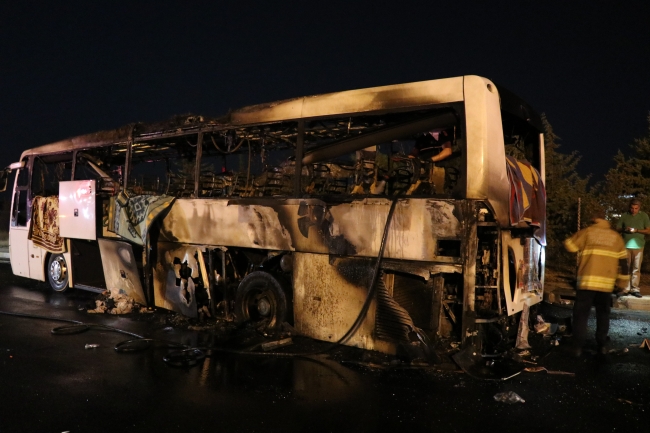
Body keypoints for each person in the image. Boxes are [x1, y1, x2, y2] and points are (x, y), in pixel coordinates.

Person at [564, 209, 629, 357]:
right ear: (605, 219)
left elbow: (570, 246)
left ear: (594, 219)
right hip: (606, 285)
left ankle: (577, 348)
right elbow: (624, 263)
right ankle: (602, 345)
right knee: (603, 314)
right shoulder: (616, 237)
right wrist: (622, 282)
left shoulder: (587, 232)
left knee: (581, 315)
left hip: (586, 282)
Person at [616, 198, 650, 298]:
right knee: (626, 268)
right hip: (626, 245)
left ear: (639, 208)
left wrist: (637, 230)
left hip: (638, 245)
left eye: (636, 208)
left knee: (636, 268)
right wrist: (624, 229)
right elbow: (617, 228)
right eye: (632, 208)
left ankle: (635, 288)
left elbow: (648, 230)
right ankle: (625, 288)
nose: (633, 210)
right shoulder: (625, 215)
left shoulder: (644, 216)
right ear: (629, 207)